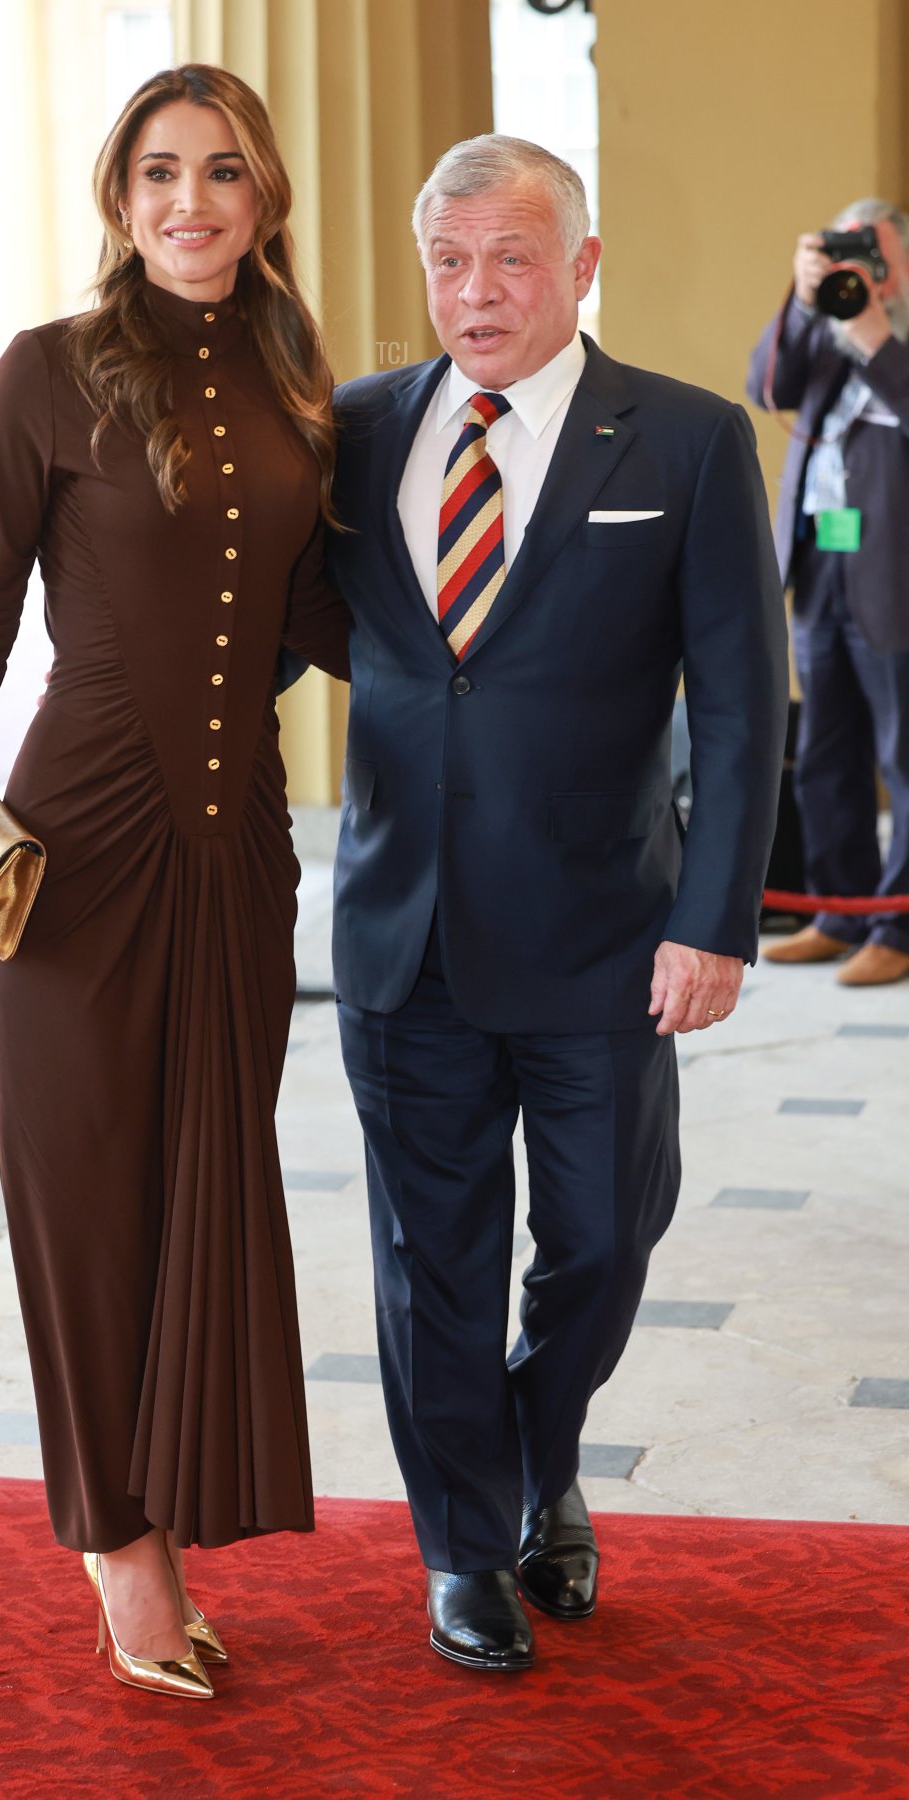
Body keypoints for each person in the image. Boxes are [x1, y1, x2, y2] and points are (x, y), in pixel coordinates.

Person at [0, 65, 348, 1702]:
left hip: (238, 863)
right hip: (78, 855)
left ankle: (171, 1507)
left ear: (263, 194)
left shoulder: (303, 376)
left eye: (222, 174)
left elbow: (321, 614)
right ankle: (118, 1543)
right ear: (117, 193)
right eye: (160, 172)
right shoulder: (47, 373)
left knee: (199, 1195)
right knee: (85, 1207)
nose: (191, 203)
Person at [326, 135, 787, 1671]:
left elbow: (742, 705)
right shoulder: (352, 431)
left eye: (512, 257)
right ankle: (468, 1547)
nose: (477, 292)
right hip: (407, 938)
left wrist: (715, 916)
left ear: (581, 267)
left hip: (606, 938)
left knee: (598, 1244)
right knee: (428, 1266)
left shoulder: (687, 441)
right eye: (450, 261)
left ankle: (539, 1458)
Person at [748, 200, 909, 986]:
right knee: (825, 751)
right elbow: (766, 385)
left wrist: (879, 344)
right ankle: (838, 911)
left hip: (896, 574)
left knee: (902, 755)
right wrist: (803, 298)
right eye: (844, 253)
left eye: (872, 255)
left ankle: (898, 927)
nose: (860, 271)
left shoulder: (889, 337)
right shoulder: (825, 324)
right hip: (820, 564)